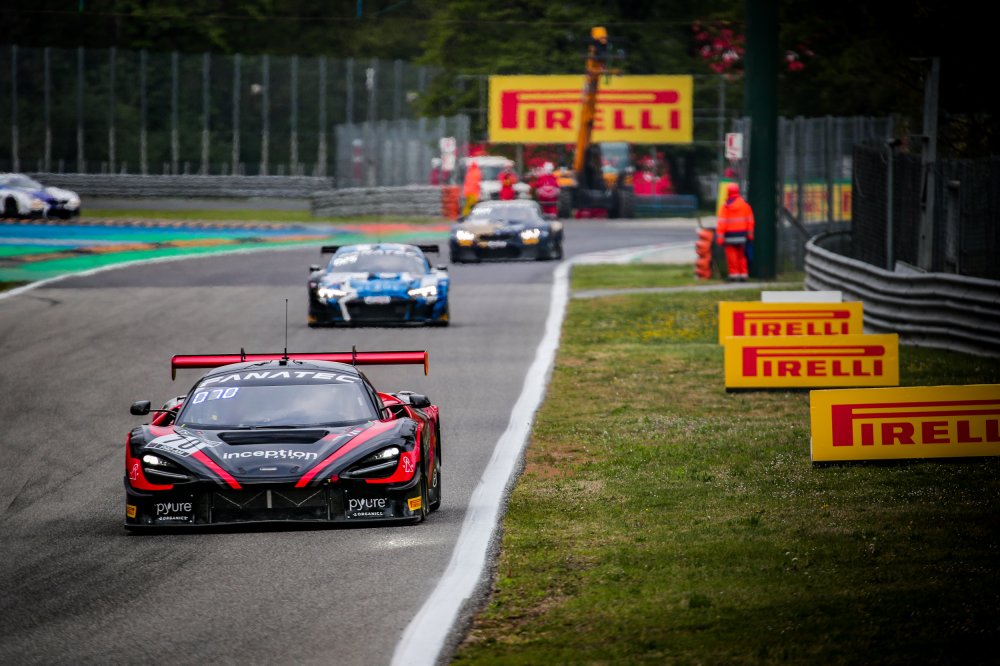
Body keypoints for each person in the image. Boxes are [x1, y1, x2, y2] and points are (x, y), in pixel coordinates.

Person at [715, 183, 754, 281]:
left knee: (732, 256)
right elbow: (750, 221)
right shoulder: (745, 205)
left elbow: (721, 223)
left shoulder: (725, 207)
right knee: (742, 255)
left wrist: (720, 238)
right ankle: (743, 275)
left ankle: (734, 275)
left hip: (729, 236)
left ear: (728, 192)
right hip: (742, 236)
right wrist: (750, 235)